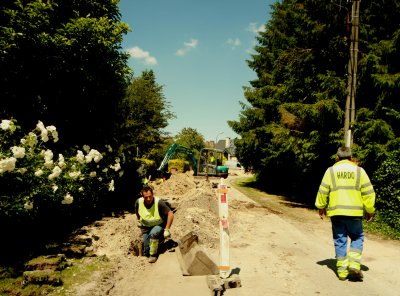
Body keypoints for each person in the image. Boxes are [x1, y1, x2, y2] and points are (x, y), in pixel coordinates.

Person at [315, 146, 376, 281]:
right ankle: (354, 265)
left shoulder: (330, 171)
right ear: (350, 157)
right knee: (357, 237)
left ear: (337, 157)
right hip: (354, 213)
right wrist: (370, 210)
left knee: (340, 240)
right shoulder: (360, 171)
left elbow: (323, 190)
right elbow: (368, 192)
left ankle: (342, 273)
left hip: (337, 213)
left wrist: (321, 206)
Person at [135, 185, 174, 263]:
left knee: (154, 234)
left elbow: (170, 214)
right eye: (146, 197)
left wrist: (167, 229)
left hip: (158, 225)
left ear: (153, 194)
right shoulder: (138, 202)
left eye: (150, 196)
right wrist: (139, 220)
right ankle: (160, 244)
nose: (148, 199)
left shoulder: (159, 202)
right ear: (142, 196)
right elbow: (137, 211)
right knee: (146, 250)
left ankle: (153, 255)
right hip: (145, 227)